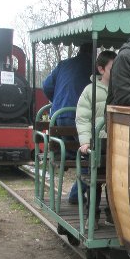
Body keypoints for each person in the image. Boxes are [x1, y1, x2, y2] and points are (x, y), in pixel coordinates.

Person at [42, 42, 92, 204]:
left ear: (79, 50)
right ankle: (76, 194)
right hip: (78, 118)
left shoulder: (63, 65)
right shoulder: (94, 67)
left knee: (72, 150)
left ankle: (64, 154)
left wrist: (57, 101)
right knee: (91, 157)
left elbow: (46, 86)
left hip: (58, 117)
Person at [76, 50, 117, 228]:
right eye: (113, 68)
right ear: (101, 69)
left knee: (114, 180)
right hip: (98, 144)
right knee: (95, 181)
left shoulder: (121, 89)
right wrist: (85, 141)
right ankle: (92, 215)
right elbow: (83, 118)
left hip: (116, 144)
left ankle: (112, 214)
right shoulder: (90, 91)